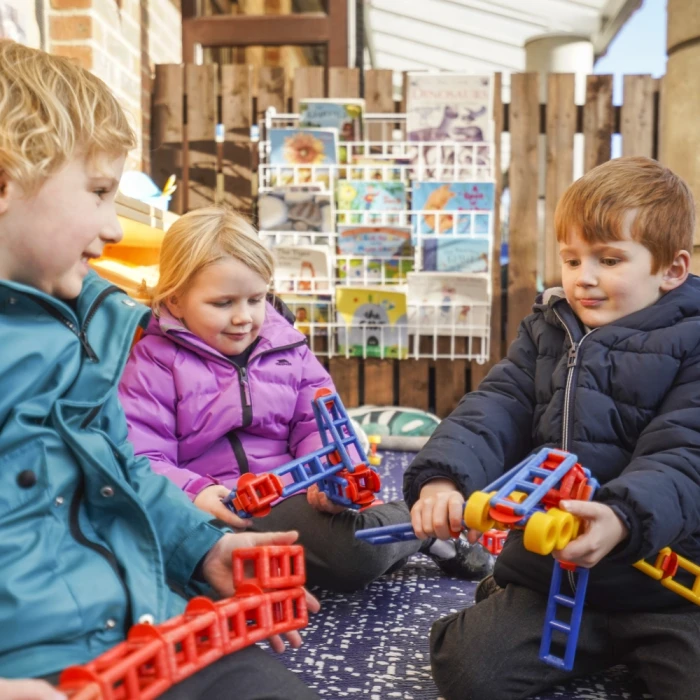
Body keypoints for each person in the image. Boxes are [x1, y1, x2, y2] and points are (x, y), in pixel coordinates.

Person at [0, 39, 321, 700]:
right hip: (36, 669)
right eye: (97, 192)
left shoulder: (88, 326)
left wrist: (201, 548)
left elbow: (126, 472)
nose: (115, 227)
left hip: (153, 627)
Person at [404, 156, 700, 700]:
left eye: (609, 259)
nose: (583, 277)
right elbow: (496, 405)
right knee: (467, 671)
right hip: (554, 573)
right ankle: (504, 595)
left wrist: (622, 516)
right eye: (571, 259)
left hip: (669, 586)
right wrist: (443, 476)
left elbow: (686, 452)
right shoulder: (549, 327)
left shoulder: (693, 340)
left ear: (672, 270)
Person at [118, 206, 493, 593]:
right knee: (160, 570)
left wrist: (328, 477)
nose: (243, 317)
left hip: (288, 497)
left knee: (352, 553)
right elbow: (140, 456)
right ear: (176, 300)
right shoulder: (153, 361)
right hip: (206, 507)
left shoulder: (287, 347)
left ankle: (418, 527)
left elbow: (319, 424)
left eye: (255, 299)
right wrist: (193, 490)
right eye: (223, 303)